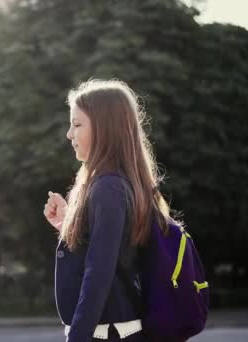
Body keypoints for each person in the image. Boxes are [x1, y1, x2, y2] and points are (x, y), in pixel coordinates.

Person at [44, 79, 174, 342]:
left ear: (105, 129)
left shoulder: (108, 187)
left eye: (77, 124)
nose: (69, 134)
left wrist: (77, 338)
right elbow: (112, 251)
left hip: (108, 334)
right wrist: (68, 224)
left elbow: (99, 273)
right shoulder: (117, 183)